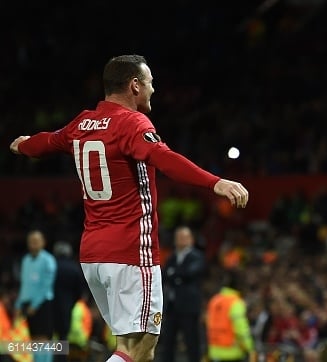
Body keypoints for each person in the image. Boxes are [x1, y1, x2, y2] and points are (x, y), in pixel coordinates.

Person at [9, 54, 250, 362]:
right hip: (131, 252)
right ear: (134, 86)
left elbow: (46, 143)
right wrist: (214, 182)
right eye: (150, 83)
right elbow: (165, 159)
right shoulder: (131, 123)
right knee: (137, 351)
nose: (153, 90)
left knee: (134, 352)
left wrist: (24, 144)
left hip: (94, 255)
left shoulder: (82, 123)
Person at [157, 225, 208, 361]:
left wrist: (174, 274)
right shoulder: (172, 257)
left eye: (184, 237)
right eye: (179, 237)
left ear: (191, 239)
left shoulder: (197, 256)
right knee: (167, 343)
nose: (181, 240)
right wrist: (177, 275)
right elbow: (164, 275)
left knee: (192, 343)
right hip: (172, 307)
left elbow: (190, 273)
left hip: (189, 307)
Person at [14, 229, 57, 362]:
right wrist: (18, 304)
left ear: (43, 242)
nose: (33, 244)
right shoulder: (26, 260)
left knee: (43, 338)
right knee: (32, 339)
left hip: (43, 303)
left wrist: (35, 305)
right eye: (31, 242)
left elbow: (46, 285)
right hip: (27, 304)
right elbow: (24, 284)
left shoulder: (48, 260)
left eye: (36, 241)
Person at [205, 270, 254, 362]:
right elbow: (241, 328)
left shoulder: (214, 300)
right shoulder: (236, 302)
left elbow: (208, 324)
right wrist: (249, 347)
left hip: (214, 351)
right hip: (231, 352)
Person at [52, 241, 86, 362]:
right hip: (67, 306)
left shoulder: (51, 265)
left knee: (48, 336)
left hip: (50, 306)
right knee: (63, 336)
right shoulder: (74, 268)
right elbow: (79, 291)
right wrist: (71, 302)